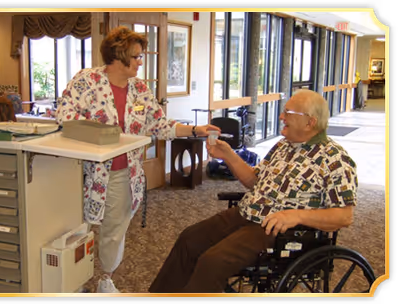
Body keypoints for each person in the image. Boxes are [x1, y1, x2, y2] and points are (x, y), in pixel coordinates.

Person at [55, 26, 220, 293]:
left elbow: (158, 124)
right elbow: (64, 115)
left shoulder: (140, 89)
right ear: (119, 56)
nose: (141, 62)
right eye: (137, 56)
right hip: (82, 171)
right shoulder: (87, 81)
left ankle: (105, 280)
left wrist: (194, 130)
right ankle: (71, 282)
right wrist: (100, 134)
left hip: (123, 172)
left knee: (114, 230)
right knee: (74, 229)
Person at [149, 89, 358, 293]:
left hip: (277, 230)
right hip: (247, 212)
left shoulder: (335, 160)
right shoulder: (283, 146)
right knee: (189, 240)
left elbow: (344, 216)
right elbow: (254, 181)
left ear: (310, 122)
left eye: (289, 113)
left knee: (212, 262)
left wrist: (294, 215)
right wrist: (228, 155)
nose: (281, 116)